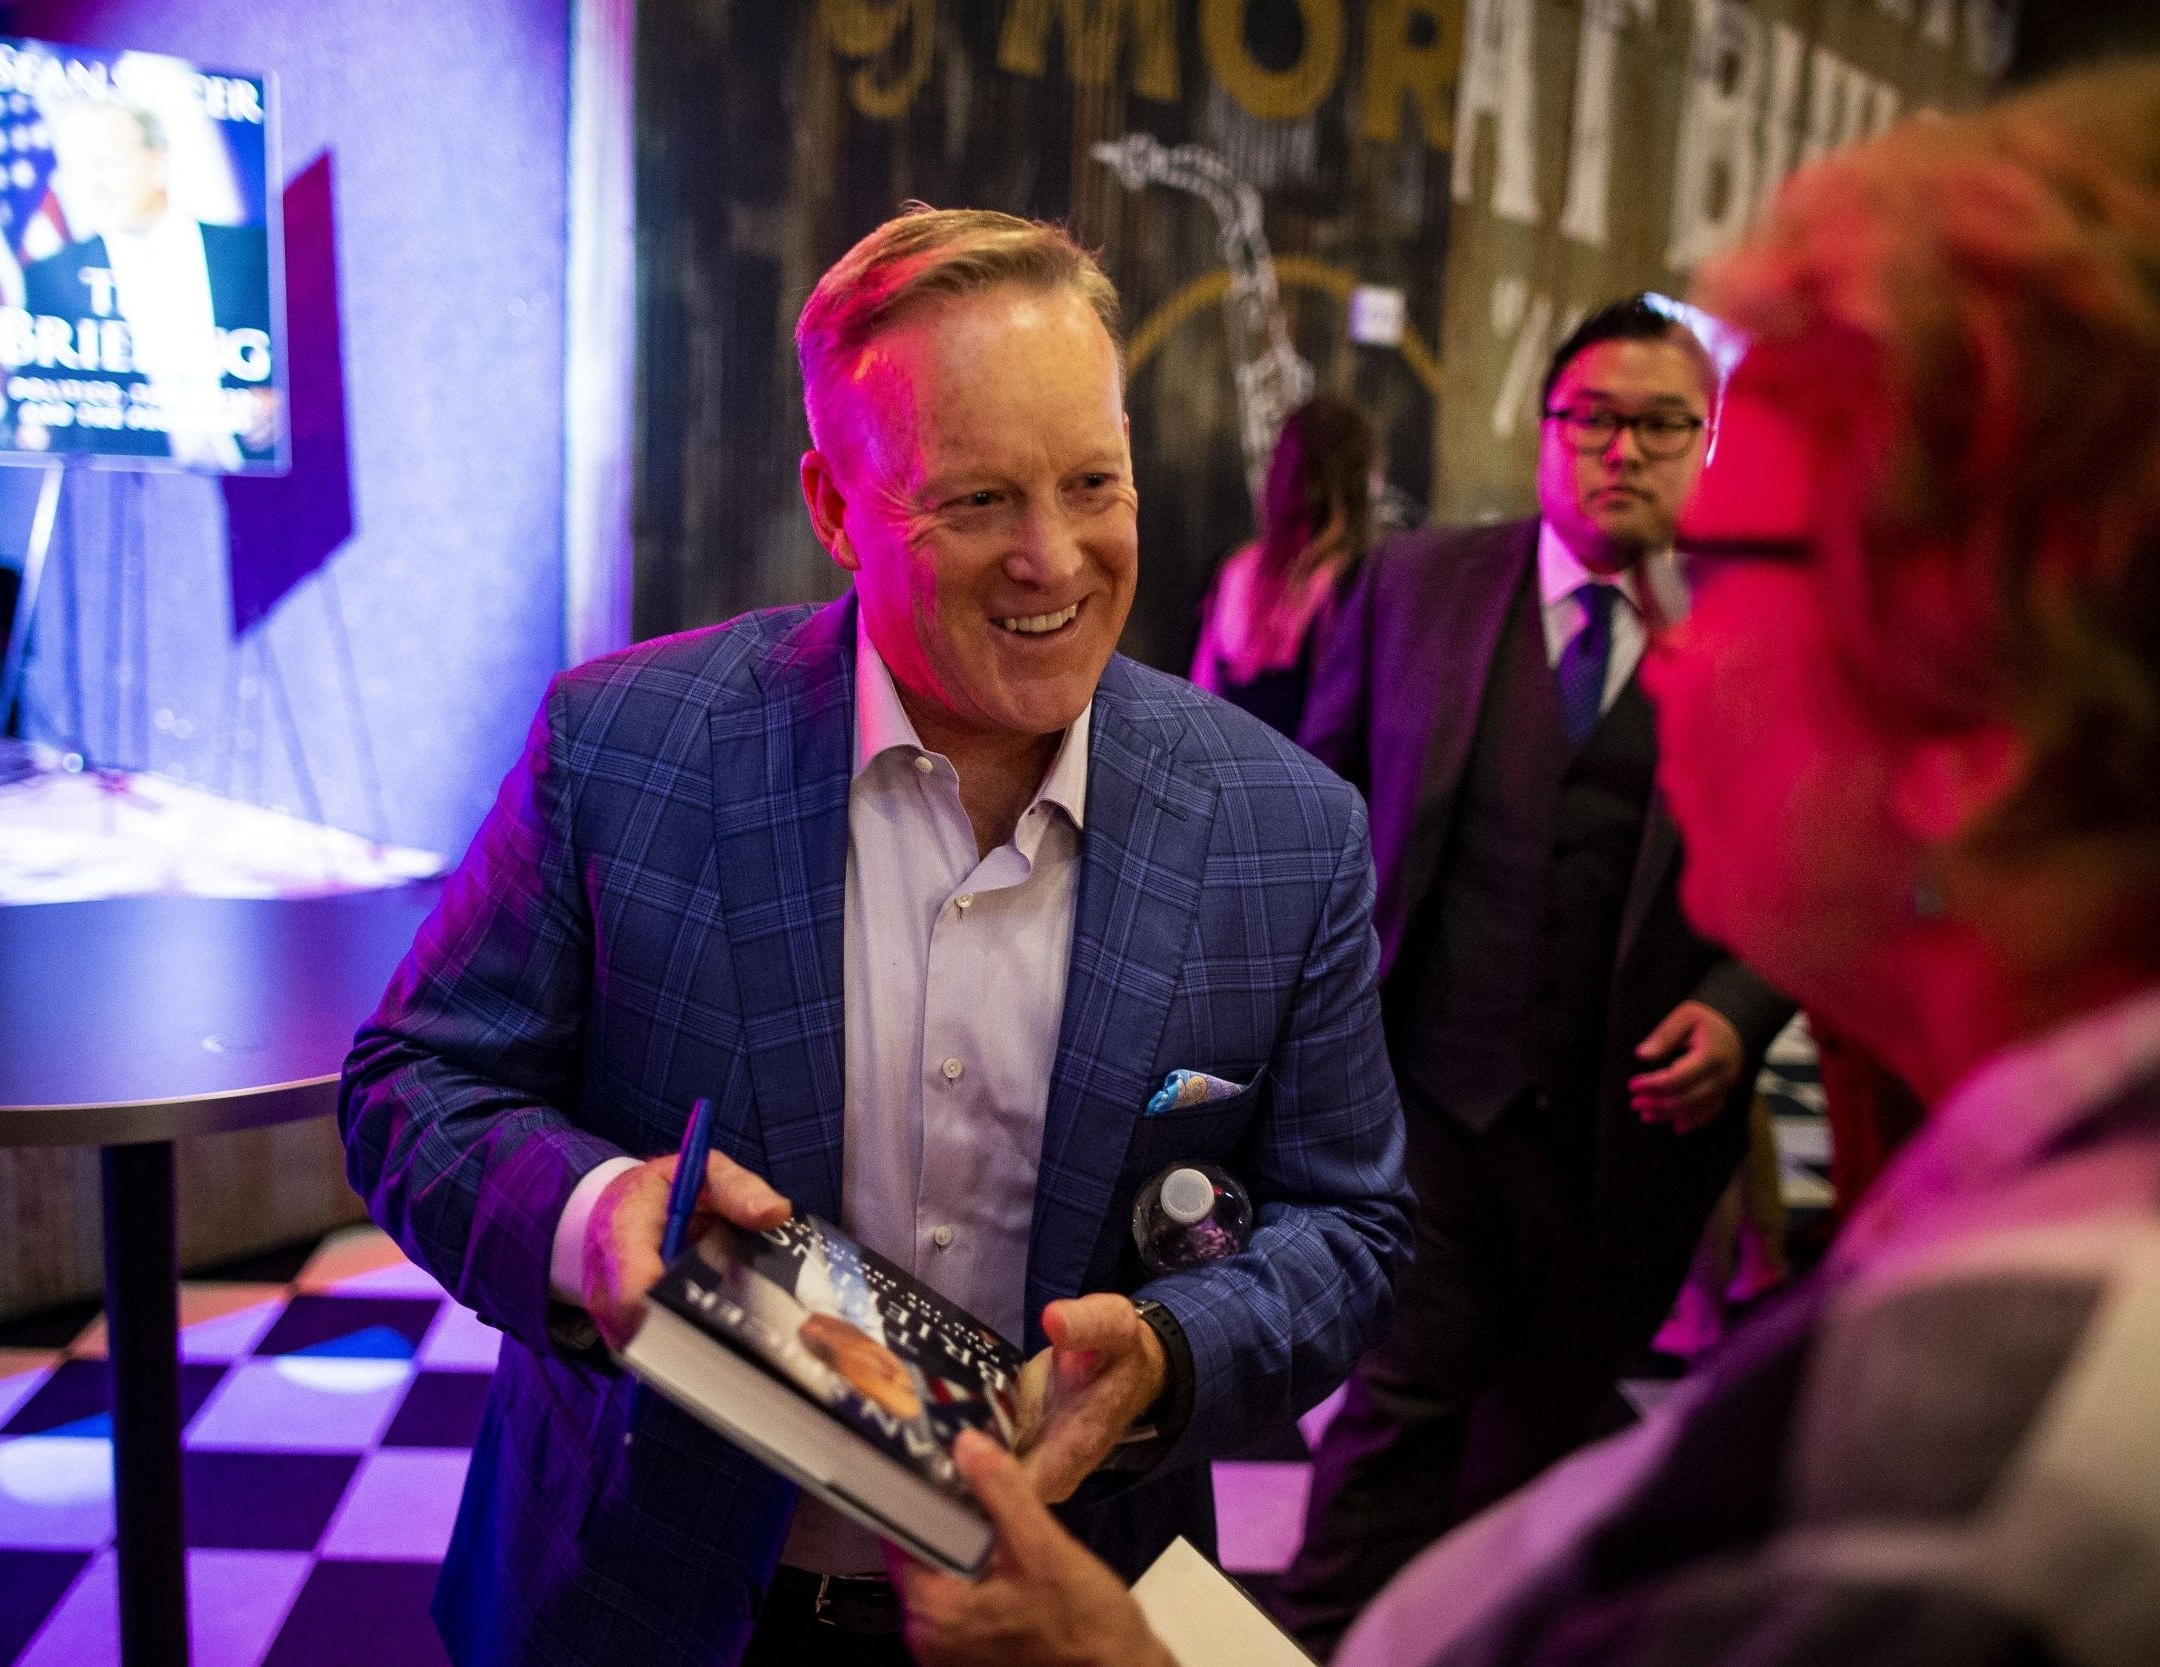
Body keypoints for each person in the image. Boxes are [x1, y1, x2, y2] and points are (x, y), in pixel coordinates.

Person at [887, 58, 2160, 1667]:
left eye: (1735, 561)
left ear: (1980, 707)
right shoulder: (2005, 1242)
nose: (1682, 646)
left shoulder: (1967, 1446)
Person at [338, 206, 1413, 1666]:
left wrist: (1164, 1355)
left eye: (1092, 483)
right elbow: (415, 1085)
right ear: (835, 508)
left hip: (1057, 1606)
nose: (1054, 559)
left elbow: (1348, 1223)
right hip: (642, 1587)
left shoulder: (1288, 828)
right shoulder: (622, 746)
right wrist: (593, 1221)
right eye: (973, 501)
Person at [1274, 294, 1795, 1653]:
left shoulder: (1760, 635)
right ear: (1548, 428)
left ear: (1707, 441)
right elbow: (1320, 806)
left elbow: (1810, 864)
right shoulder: (1414, 584)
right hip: (1426, 1106)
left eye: (1660, 422)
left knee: (1538, 1461)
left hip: (1630, 1137)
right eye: (1592, 418)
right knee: (1390, 1423)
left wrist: (1740, 1011)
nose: (1621, 448)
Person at [18, 98, 276, 468]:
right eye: (77, 169)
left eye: (106, 164)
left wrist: (283, 403)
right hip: (147, 491)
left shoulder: (250, 253)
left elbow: (302, 365)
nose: (93, 185)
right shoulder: (51, 277)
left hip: (259, 479)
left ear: (159, 162)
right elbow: (36, 406)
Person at [1189, 393, 1378, 738]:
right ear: (1360, 485)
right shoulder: (1356, 586)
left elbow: (1197, 705)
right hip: (1311, 787)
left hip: (1227, 783)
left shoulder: (1234, 571)